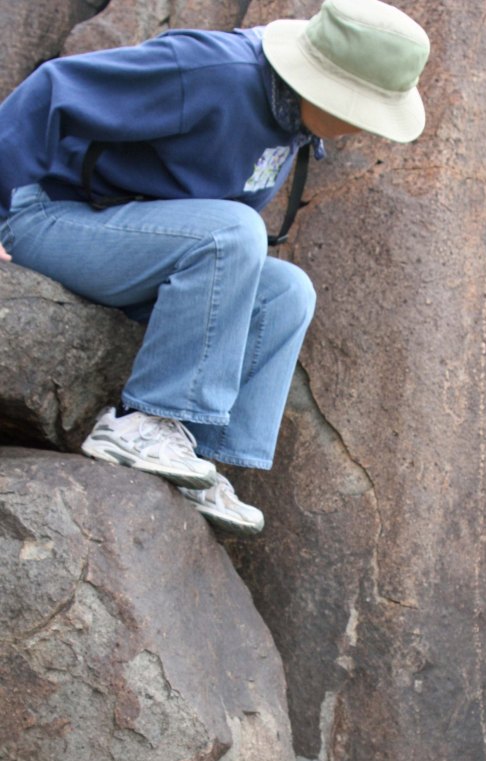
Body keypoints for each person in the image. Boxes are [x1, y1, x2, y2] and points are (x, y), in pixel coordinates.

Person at [0, 0, 430, 534]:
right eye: (361, 108)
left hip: (121, 241)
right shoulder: (209, 71)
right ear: (318, 81)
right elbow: (52, 89)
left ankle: (198, 455)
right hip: (44, 216)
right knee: (234, 231)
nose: (365, 128)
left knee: (287, 291)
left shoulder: (293, 116)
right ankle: (141, 423)